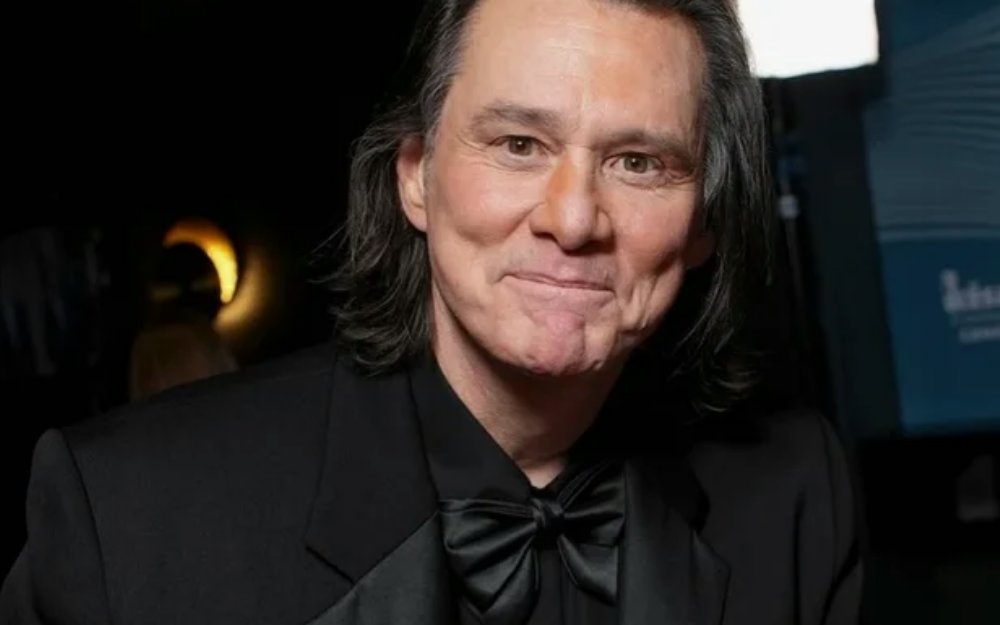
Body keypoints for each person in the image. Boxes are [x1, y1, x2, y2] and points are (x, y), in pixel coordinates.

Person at [0, 0, 863, 623]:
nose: (572, 220)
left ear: (703, 223)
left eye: (638, 162)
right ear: (414, 177)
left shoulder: (795, 489)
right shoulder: (129, 513)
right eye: (519, 145)